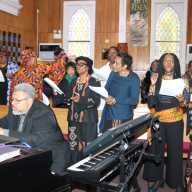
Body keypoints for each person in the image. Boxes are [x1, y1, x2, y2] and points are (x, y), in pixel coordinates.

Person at [143, 53, 189, 192]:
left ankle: (175, 182)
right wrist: (152, 85)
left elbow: (186, 104)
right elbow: (151, 103)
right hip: (159, 121)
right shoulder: (156, 79)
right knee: (155, 151)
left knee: (175, 153)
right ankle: (156, 179)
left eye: (172, 61)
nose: (168, 63)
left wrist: (182, 100)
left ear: (175, 64)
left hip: (175, 121)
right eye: (166, 61)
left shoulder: (183, 81)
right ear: (162, 64)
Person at [0, 83, 69, 175]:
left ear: (30, 100)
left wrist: (4, 132)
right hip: (27, 154)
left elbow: (34, 140)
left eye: (17, 100)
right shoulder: (15, 109)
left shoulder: (43, 113)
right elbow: (4, 122)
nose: (12, 103)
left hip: (50, 159)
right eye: (12, 99)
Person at [68, 56, 100, 163]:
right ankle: (73, 171)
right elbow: (69, 97)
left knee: (88, 148)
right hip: (73, 119)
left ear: (88, 67)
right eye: (77, 64)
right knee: (73, 146)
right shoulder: (73, 82)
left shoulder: (94, 82)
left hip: (88, 119)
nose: (78, 66)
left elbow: (96, 101)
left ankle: (87, 172)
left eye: (81, 64)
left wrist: (80, 99)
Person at [100, 52, 140, 133]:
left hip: (121, 115)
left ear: (124, 66)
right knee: (106, 141)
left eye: (116, 63)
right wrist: (106, 97)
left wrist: (115, 100)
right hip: (108, 113)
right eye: (114, 62)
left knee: (116, 142)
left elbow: (134, 100)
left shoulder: (134, 78)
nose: (113, 64)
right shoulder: (113, 74)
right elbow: (106, 89)